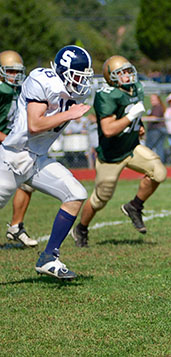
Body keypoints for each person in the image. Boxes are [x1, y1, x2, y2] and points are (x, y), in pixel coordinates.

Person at [0, 45, 94, 279]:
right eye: (78, 75)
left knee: (75, 194)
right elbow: (35, 124)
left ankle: (49, 257)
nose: (81, 81)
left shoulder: (73, 91)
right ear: (64, 71)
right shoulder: (43, 80)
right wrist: (69, 114)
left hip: (36, 159)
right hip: (12, 158)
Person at [71, 55, 167, 247]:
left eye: (128, 70)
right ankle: (81, 228)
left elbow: (132, 118)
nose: (127, 75)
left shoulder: (136, 88)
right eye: (121, 73)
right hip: (111, 156)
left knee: (159, 172)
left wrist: (138, 127)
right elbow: (108, 130)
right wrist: (132, 117)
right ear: (111, 77)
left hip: (131, 148)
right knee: (99, 200)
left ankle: (134, 206)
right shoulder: (106, 94)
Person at [0, 50, 38, 247]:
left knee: (27, 183)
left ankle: (16, 227)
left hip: (10, 145)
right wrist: (8, 139)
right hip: (4, 143)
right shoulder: (2, 90)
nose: (15, 76)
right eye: (10, 72)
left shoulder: (18, 90)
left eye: (17, 72)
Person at [143, 94, 167, 162]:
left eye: (153, 99)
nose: (151, 101)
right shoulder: (155, 107)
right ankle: (160, 162)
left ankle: (149, 162)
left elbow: (155, 117)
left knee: (149, 147)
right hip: (159, 129)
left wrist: (144, 118)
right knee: (159, 147)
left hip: (156, 129)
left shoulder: (158, 107)